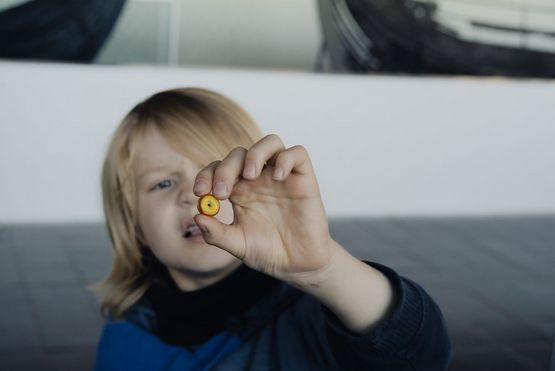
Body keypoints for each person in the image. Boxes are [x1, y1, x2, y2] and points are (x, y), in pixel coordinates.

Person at [92, 87, 452, 370]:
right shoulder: (122, 337)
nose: (192, 194)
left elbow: (422, 354)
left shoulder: (314, 315)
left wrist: (324, 269)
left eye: (211, 171)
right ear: (133, 223)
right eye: (163, 184)